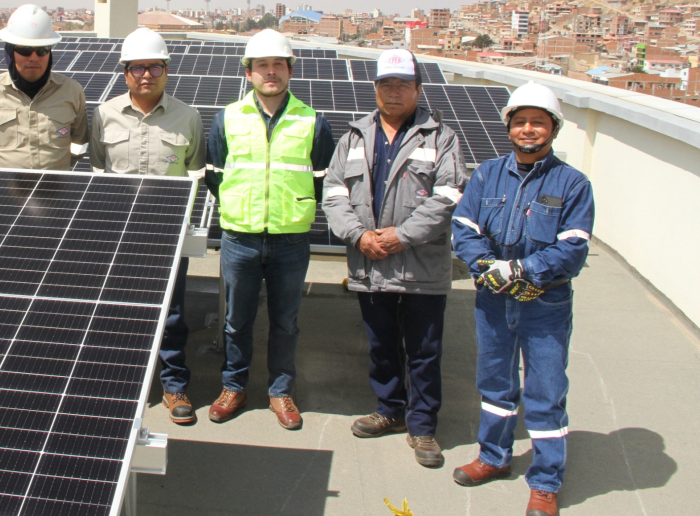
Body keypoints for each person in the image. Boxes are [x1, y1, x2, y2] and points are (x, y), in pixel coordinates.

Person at [451, 81, 594, 516]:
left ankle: (546, 482)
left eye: (538, 122)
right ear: (509, 127)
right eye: (521, 122)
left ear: (553, 129)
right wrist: (487, 267)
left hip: (544, 304)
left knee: (546, 392)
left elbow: (573, 245)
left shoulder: (572, 183)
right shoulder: (487, 175)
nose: (528, 129)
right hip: (493, 300)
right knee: (495, 383)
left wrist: (522, 269)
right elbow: (464, 228)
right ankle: (493, 457)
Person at [322, 49, 465, 468]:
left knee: (423, 349)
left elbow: (447, 197)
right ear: (376, 89)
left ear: (418, 89)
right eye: (386, 84)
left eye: (403, 85)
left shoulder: (441, 137)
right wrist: (357, 235)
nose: (394, 92)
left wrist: (402, 237)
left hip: (420, 267)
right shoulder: (353, 137)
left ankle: (422, 427)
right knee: (382, 345)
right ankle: (388, 409)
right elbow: (333, 193)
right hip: (369, 263)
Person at [204, 29, 335, 431]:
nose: (271, 72)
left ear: (290, 71)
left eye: (278, 64)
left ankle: (280, 392)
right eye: (262, 65)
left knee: (285, 321)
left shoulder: (312, 121)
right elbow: (215, 176)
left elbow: (321, 178)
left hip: (290, 238)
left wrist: (290, 208)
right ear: (249, 72)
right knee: (236, 321)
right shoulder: (227, 118)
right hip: (239, 237)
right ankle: (233, 386)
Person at [90, 28, 205, 425]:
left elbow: (195, 176)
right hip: (118, 233)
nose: (146, 74)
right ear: (125, 73)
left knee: (171, 314)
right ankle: (122, 382)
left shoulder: (188, 117)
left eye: (155, 66)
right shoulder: (104, 114)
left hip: (167, 234)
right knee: (118, 312)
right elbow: (97, 171)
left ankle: (173, 386)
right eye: (137, 67)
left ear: (167, 70)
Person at [0, 5, 88, 170]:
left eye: (42, 50)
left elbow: (79, 143)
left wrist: (60, 170)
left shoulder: (72, 91)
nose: (34, 58)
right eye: (24, 50)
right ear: (10, 52)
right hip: (2, 190)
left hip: (54, 191)